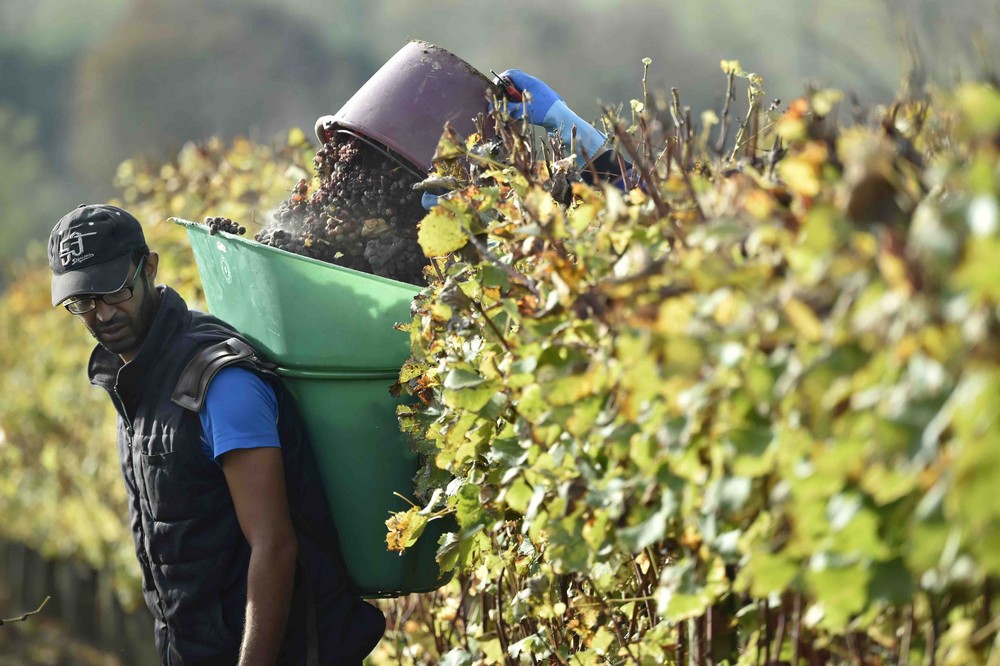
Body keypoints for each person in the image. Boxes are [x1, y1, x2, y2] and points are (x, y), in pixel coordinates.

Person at [48, 204, 385, 665]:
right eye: (83, 302)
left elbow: (275, 545)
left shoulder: (219, 384)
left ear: (149, 267)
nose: (102, 314)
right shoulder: (133, 382)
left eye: (114, 291)